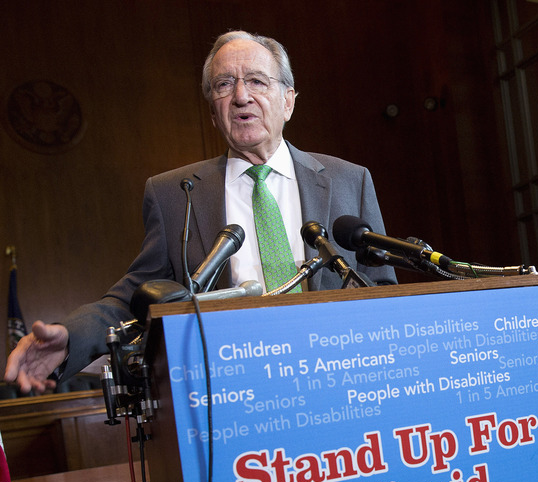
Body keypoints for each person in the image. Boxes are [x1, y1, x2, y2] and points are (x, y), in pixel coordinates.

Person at [4, 30, 396, 394]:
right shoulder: (173, 194)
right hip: (238, 391)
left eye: (257, 81)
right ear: (213, 112)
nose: (241, 96)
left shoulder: (350, 180)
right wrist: (69, 337)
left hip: (344, 382)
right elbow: (135, 298)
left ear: (288, 101)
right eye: (224, 85)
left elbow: (383, 292)